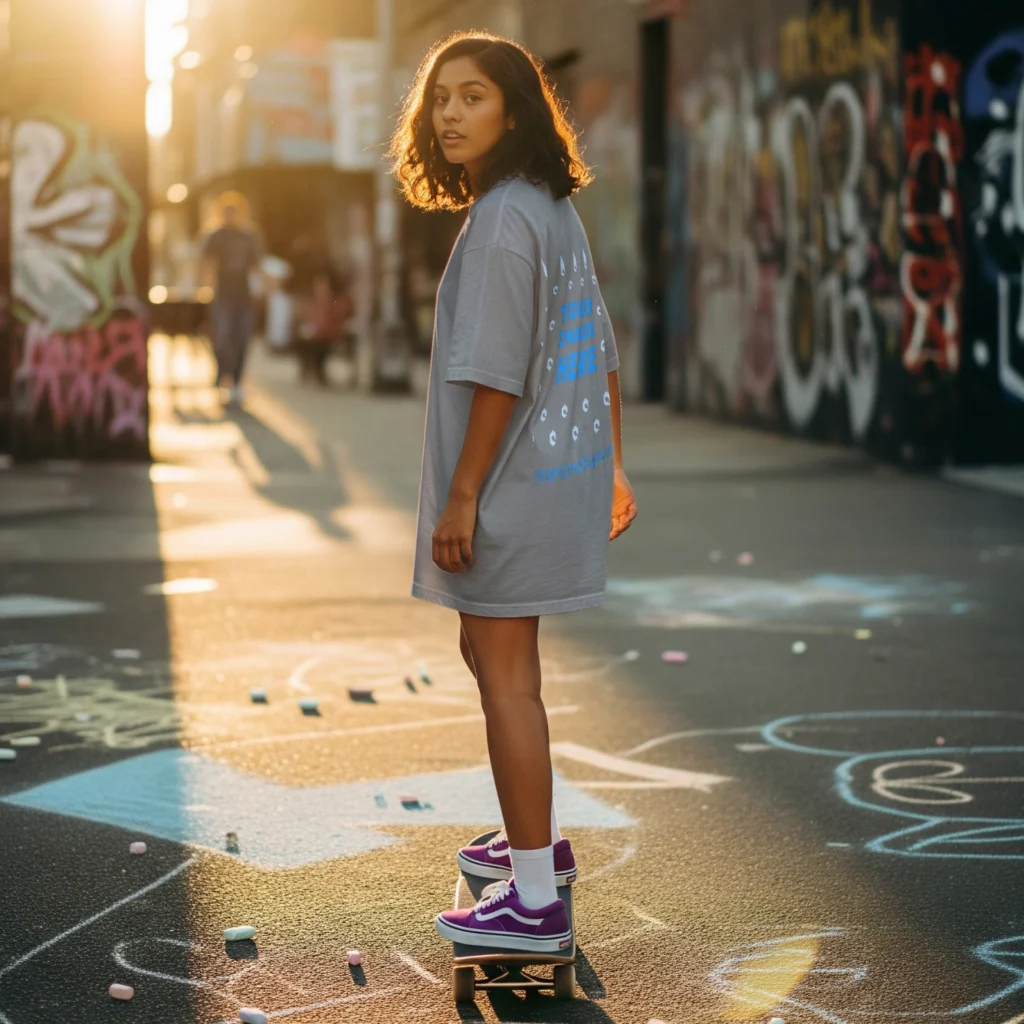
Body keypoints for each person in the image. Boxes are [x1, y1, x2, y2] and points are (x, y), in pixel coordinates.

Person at [389, 32, 638, 952]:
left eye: (473, 98)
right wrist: (612, 462)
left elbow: (495, 375)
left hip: (511, 480)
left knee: (507, 683)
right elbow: (598, 342)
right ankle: (534, 847)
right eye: (440, 98)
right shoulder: (543, 205)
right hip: (556, 474)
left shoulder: (501, 221)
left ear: (514, 109)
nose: (450, 114)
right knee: (494, 659)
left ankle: (534, 897)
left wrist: (462, 500)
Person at [200, 196, 263, 404]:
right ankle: (222, 375)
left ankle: (236, 381)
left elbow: (257, 265)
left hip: (243, 295)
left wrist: (261, 288)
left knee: (242, 338)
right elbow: (206, 263)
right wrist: (206, 287)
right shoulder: (216, 236)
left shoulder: (248, 236)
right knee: (223, 336)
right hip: (222, 294)